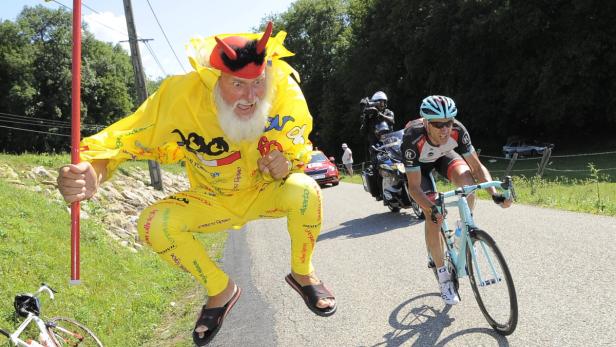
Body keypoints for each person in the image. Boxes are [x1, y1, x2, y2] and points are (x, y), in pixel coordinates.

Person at [56, 22, 336, 346]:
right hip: (210, 200)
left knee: (306, 191)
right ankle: (220, 289)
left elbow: (299, 149)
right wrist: (93, 172)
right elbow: (124, 139)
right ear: (213, 80)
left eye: (258, 83)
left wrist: (285, 162)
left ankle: (303, 272)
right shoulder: (180, 96)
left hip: (263, 192)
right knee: (152, 225)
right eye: (237, 85)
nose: (250, 97)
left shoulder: (284, 92)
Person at [401, 95, 512, 305]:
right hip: (420, 170)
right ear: (426, 122)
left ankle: (464, 228)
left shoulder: (457, 130)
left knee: (467, 180)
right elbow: (414, 187)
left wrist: (494, 193)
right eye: (438, 124)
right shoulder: (412, 137)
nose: (445, 129)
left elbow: (478, 168)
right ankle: (443, 275)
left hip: (444, 156)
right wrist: (432, 208)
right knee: (434, 216)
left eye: (449, 122)